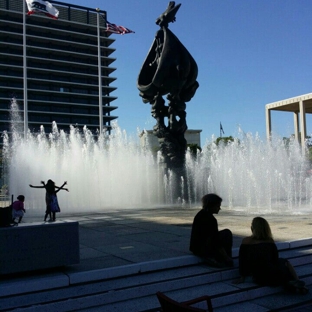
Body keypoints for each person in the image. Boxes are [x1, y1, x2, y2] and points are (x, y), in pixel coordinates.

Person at [233, 217, 307, 293]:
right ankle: (297, 281)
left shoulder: (246, 241)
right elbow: (275, 259)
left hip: (258, 275)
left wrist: (242, 277)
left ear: (253, 228)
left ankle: (292, 285)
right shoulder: (269, 241)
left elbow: (243, 260)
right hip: (272, 272)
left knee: (277, 271)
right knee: (285, 263)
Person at [190, 193, 233, 267]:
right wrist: (226, 257)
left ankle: (222, 258)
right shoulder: (210, 219)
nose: (219, 208)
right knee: (227, 234)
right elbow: (215, 240)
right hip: (202, 249)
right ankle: (221, 258)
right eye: (218, 206)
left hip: (196, 248)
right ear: (211, 205)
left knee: (224, 234)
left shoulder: (201, 214)